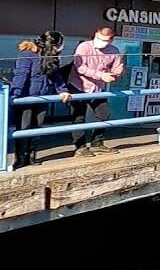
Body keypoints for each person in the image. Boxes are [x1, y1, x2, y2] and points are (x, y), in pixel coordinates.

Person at [9, 32, 72, 167]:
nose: (61, 48)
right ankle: (20, 158)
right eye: (59, 45)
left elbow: (56, 75)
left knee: (37, 127)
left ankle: (31, 156)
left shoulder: (51, 57)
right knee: (24, 128)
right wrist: (15, 96)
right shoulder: (28, 54)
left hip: (43, 96)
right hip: (26, 97)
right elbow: (21, 75)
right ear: (52, 44)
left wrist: (63, 91)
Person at [68, 27, 124, 157]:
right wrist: (100, 75)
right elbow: (80, 67)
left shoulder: (114, 51)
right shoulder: (84, 47)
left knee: (104, 114)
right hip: (79, 86)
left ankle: (97, 143)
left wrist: (115, 74)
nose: (101, 42)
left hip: (98, 89)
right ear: (95, 35)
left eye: (104, 40)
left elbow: (118, 66)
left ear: (111, 40)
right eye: (99, 38)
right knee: (78, 117)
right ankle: (80, 147)